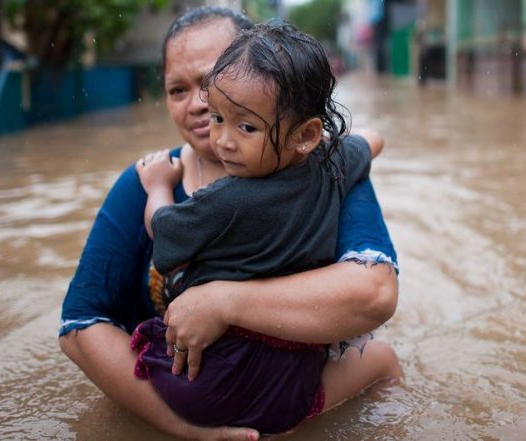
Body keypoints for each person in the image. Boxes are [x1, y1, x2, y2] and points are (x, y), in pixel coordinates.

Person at [59, 7, 400, 441]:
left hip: (287, 393)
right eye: (177, 89)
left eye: (213, 79)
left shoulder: (325, 166)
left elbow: (373, 293)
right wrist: (186, 429)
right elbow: (80, 325)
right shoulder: (143, 180)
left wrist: (223, 303)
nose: (200, 103)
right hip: (196, 404)